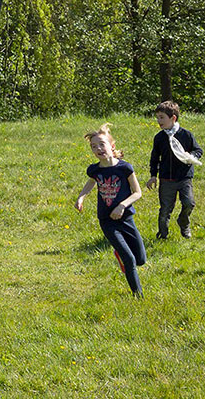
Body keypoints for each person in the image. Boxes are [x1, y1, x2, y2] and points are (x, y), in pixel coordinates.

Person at [75, 123, 146, 297]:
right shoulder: (94, 170)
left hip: (126, 218)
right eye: (93, 146)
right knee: (129, 260)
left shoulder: (125, 168)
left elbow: (138, 193)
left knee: (141, 260)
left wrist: (122, 206)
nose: (98, 148)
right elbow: (91, 181)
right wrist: (81, 197)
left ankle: (119, 254)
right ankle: (138, 296)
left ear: (111, 146)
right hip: (107, 221)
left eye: (101, 144)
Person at [145, 100, 202, 239]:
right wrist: (153, 175)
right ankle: (162, 235)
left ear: (173, 118)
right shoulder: (159, 138)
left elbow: (198, 150)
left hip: (184, 178)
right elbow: (154, 158)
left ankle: (183, 222)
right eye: (157, 117)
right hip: (166, 179)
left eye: (162, 117)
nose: (159, 121)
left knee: (189, 203)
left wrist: (191, 156)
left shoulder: (186, 135)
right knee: (165, 210)